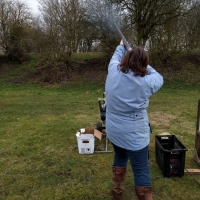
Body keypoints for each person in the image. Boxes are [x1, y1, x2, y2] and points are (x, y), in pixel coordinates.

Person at [105, 40, 163, 200]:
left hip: (114, 129)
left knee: (120, 156)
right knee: (141, 168)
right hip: (134, 133)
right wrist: (143, 63)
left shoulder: (113, 71)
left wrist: (121, 46)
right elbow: (158, 76)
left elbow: (115, 56)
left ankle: (117, 193)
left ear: (127, 59)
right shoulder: (147, 81)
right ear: (143, 64)